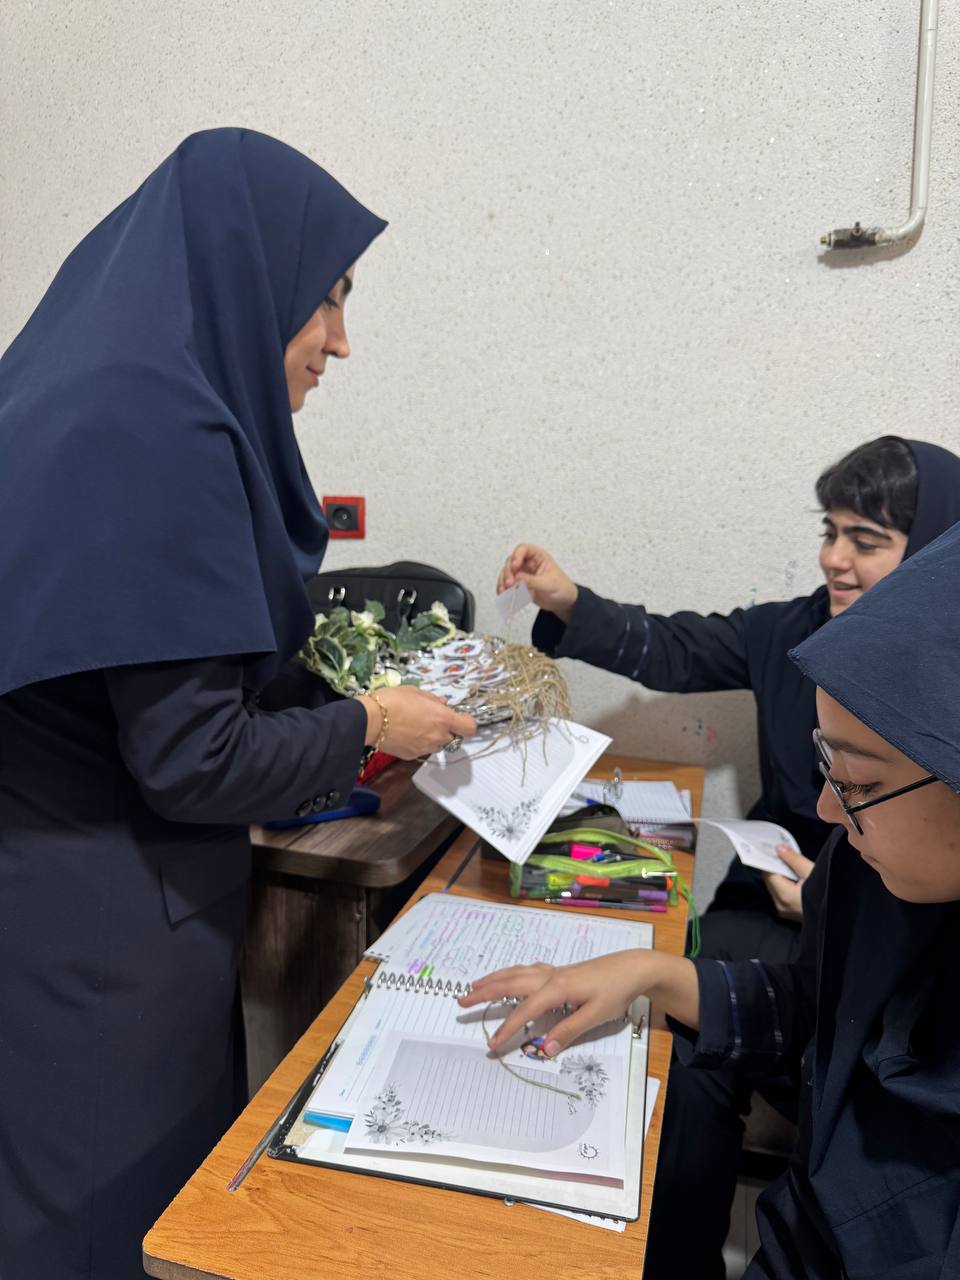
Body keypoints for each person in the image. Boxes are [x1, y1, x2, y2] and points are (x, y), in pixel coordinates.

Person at [0, 129, 476, 1280]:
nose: (340, 340)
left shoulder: (75, 385)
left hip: (47, 878)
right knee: (112, 1208)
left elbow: (142, 662)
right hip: (108, 918)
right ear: (247, 275)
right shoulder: (159, 429)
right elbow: (193, 756)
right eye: (328, 297)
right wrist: (373, 724)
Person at [497, 437, 960, 1276]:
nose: (835, 558)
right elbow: (814, 1007)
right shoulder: (862, 852)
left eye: (866, 540)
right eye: (830, 532)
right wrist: (654, 973)